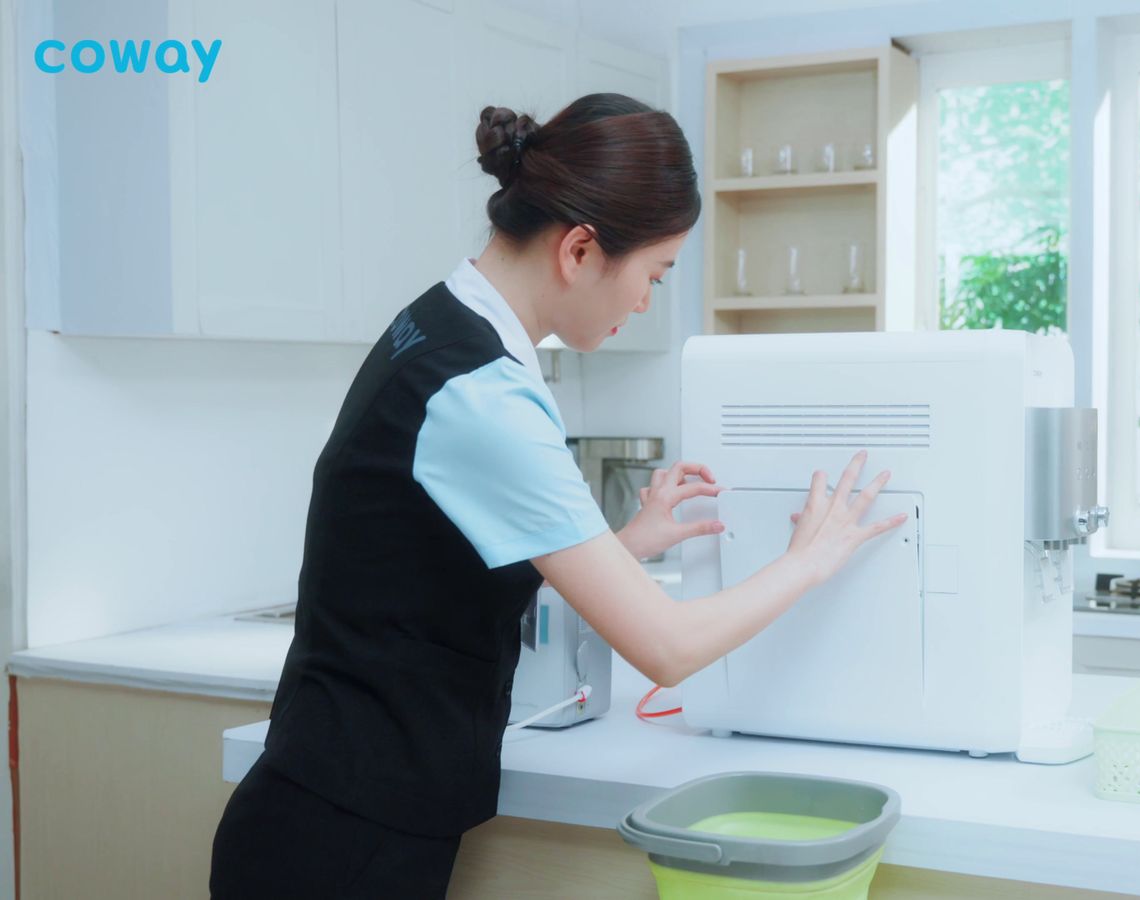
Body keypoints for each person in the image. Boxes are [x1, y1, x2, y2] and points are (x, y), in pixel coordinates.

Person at [208, 93, 906, 899]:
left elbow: (433, 549)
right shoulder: (481, 392)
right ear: (579, 250)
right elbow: (667, 650)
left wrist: (620, 544)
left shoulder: (439, 323)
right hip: (341, 841)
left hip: (330, 812)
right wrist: (810, 559)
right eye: (654, 273)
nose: (647, 300)